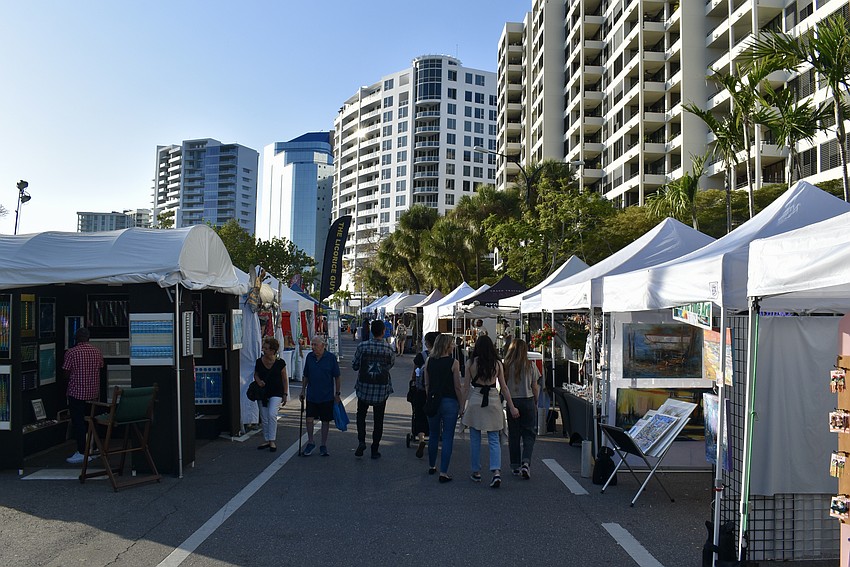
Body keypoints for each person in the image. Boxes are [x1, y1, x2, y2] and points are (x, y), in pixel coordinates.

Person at [462, 335, 519, 488]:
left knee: (475, 438)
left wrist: (461, 407)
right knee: (494, 439)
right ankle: (496, 472)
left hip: (475, 400)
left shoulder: (470, 363)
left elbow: (466, 387)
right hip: (493, 401)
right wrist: (512, 407)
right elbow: (504, 387)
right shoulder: (497, 364)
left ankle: (476, 471)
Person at [351, 319, 395, 459]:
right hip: (381, 388)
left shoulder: (362, 347)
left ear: (371, 331)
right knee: (378, 419)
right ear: (383, 331)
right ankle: (375, 448)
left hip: (364, 386)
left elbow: (355, 365)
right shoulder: (388, 348)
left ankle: (361, 440)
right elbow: (390, 365)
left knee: (361, 415)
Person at [424, 333, 464, 483]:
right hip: (449, 401)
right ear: (447, 346)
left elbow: (427, 383)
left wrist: (429, 397)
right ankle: (444, 472)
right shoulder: (454, 363)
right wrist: (461, 404)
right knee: (447, 437)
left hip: (434, 399)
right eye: (452, 344)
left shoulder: (429, 360)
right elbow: (457, 386)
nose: (453, 346)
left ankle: (432, 465)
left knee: (433, 434)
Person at [62, 327, 104, 464]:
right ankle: (94, 448)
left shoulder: (71, 353)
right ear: (88, 338)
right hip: (93, 392)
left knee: (78, 422)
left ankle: (81, 451)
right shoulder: (96, 352)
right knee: (92, 420)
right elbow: (100, 368)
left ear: (76, 338)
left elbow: (66, 372)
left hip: (76, 392)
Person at [503, 338, 540, 479]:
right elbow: (535, 386)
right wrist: (536, 401)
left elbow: (503, 386)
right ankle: (526, 462)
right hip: (528, 399)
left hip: (512, 400)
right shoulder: (530, 365)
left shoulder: (506, 365)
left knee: (514, 434)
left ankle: (515, 465)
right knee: (529, 433)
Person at [300, 335, 341, 457]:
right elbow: (306, 375)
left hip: (326, 395)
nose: (312, 347)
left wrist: (337, 393)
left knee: (325, 421)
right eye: (312, 344)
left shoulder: (331, 358)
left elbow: (337, 377)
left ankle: (323, 444)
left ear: (323, 346)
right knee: (309, 419)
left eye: (315, 345)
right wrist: (303, 390)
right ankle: (311, 441)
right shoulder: (310, 357)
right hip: (312, 394)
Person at [254, 337, 289, 452]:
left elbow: (284, 379)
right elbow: (256, 374)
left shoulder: (280, 363)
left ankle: (272, 439)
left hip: (276, 392)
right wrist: (259, 382)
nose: (264, 350)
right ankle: (267, 439)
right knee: (264, 417)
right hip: (263, 392)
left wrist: (285, 393)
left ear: (273, 350)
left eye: (266, 348)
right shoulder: (259, 361)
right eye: (264, 348)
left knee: (272, 414)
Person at [410, 331, 440, 458]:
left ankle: (421, 438)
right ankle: (434, 437)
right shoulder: (441, 356)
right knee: (434, 416)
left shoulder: (421, 356)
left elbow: (414, 373)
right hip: (435, 392)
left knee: (419, 414)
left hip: (421, 391)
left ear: (427, 343)